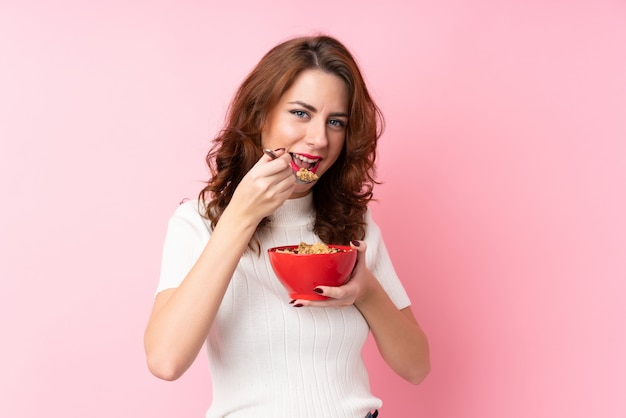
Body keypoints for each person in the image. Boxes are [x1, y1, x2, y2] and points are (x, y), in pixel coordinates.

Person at [144, 34, 430, 418]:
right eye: (300, 113)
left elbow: (416, 367)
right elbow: (166, 361)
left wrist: (366, 291)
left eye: (335, 122)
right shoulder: (198, 221)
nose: (318, 139)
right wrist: (241, 217)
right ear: (260, 115)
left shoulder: (353, 224)